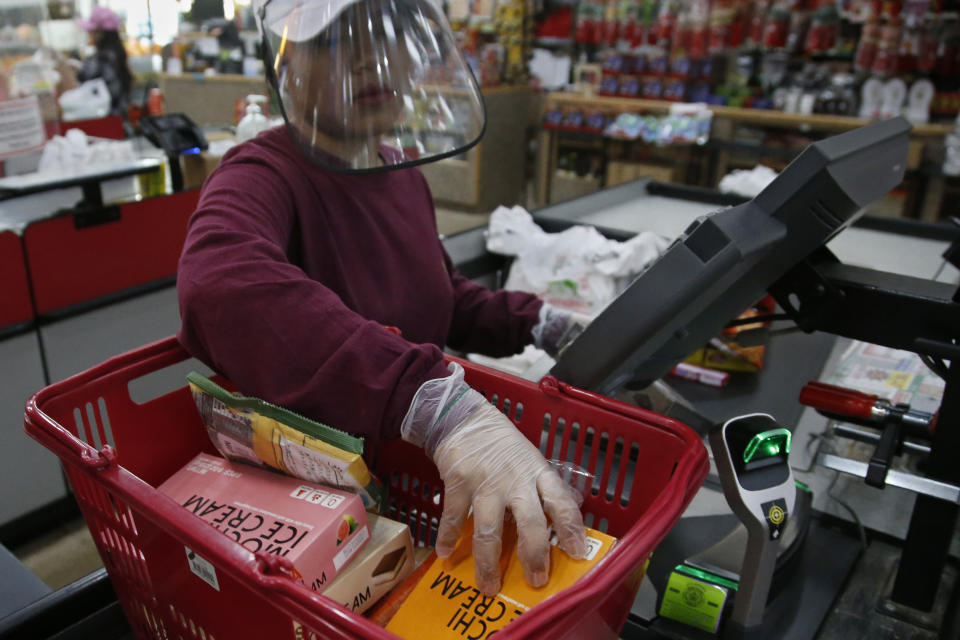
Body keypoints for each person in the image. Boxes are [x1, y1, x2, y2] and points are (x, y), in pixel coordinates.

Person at [177, 0, 588, 597]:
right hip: (324, 523)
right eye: (338, 40)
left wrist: (546, 323)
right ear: (285, 66)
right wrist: (429, 404)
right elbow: (218, 283)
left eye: (388, 32)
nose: (372, 58)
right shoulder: (262, 174)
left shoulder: (401, 172)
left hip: (415, 496)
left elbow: (439, 297)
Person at [76, 6, 133, 118]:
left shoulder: (101, 60)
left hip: (107, 121)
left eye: (92, 32)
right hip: (121, 120)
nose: (90, 35)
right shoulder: (118, 54)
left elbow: (77, 86)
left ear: (101, 33)